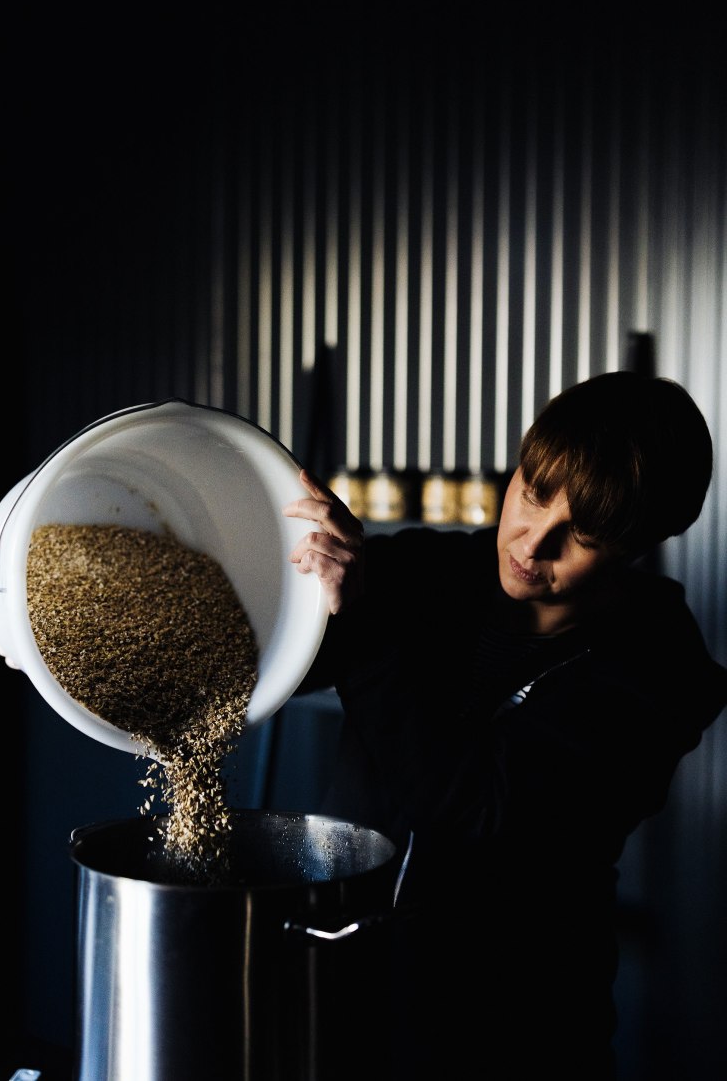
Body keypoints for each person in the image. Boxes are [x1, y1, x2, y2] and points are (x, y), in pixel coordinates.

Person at [282, 371, 727, 1081]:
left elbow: (472, 804)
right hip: (353, 990)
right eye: (533, 492)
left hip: (513, 1027)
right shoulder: (427, 574)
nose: (532, 542)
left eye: (580, 535)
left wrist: (363, 628)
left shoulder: (656, 675)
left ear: (641, 543)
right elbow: (267, 651)